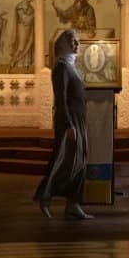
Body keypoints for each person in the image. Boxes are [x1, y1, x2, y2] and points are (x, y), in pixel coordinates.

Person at [32, 29, 93, 220]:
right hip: (69, 121)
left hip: (79, 119)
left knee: (80, 162)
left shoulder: (72, 66)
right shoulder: (61, 67)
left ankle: (73, 203)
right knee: (61, 160)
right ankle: (45, 197)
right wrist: (68, 125)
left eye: (77, 42)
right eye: (73, 42)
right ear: (64, 44)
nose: (76, 45)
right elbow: (61, 99)